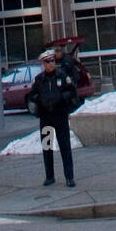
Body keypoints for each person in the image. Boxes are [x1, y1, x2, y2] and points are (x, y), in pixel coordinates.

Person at [29, 49, 80, 188]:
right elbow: (31, 96)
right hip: (46, 117)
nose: (50, 63)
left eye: (52, 60)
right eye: (47, 61)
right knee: (47, 147)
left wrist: (62, 98)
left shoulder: (63, 76)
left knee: (65, 147)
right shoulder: (39, 80)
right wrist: (38, 101)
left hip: (60, 116)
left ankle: (69, 177)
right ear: (43, 64)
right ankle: (49, 176)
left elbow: (72, 92)